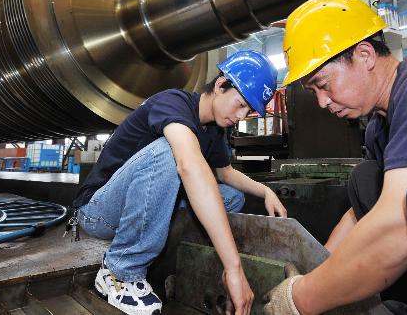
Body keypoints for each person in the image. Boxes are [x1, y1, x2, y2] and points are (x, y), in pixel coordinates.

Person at [263, 0, 407, 315]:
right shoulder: (379, 127)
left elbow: (395, 224)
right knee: (365, 180)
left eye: (324, 84)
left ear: (364, 55)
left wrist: (301, 300)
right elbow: (359, 216)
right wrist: (316, 271)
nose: (322, 102)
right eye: (313, 92)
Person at [72, 50, 287, 315]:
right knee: (169, 151)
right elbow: (189, 165)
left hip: (139, 202)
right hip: (98, 211)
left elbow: (225, 173)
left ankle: (160, 240)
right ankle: (119, 272)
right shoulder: (173, 103)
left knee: (232, 197)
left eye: (249, 110)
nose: (242, 117)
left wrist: (265, 191)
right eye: (241, 104)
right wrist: (233, 267)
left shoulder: (215, 130)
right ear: (220, 85)